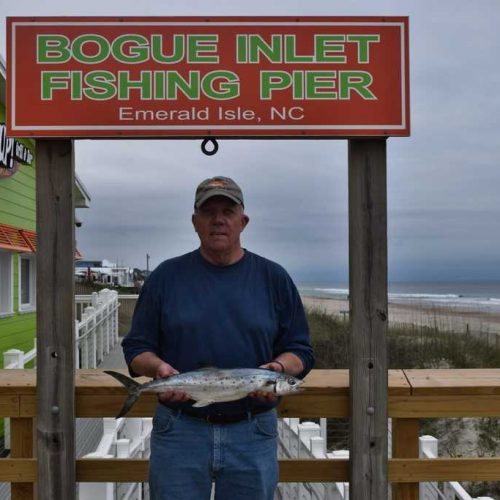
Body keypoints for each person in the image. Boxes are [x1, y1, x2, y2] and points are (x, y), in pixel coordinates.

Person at [122, 176, 314, 500]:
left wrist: (279, 370)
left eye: (228, 210)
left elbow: (300, 350)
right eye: (208, 211)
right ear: (195, 221)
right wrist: (159, 370)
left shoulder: (274, 278)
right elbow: (136, 348)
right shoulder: (166, 277)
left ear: (244, 221)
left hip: (253, 432)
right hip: (179, 431)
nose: (219, 219)